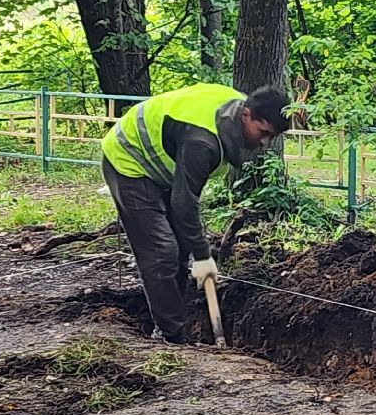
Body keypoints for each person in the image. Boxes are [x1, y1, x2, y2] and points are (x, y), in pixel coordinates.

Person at [99, 83, 290, 343]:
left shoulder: (235, 111)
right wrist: (202, 256)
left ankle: (171, 323)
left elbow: (185, 203)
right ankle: (170, 336)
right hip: (130, 159)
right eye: (263, 132)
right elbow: (184, 203)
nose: (264, 143)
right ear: (247, 114)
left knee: (179, 245)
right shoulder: (202, 141)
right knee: (162, 251)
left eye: (272, 137)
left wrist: (195, 249)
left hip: (165, 165)